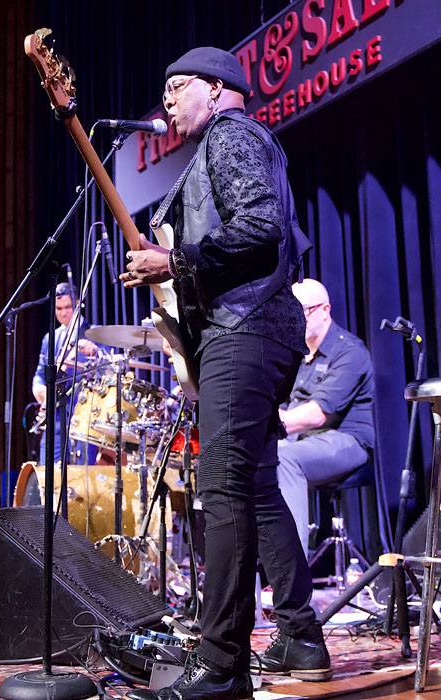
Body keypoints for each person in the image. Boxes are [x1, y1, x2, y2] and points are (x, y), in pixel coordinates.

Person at [122, 46, 328, 700]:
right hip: (253, 327)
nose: (168, 103)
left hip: (248, 326)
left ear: (218, 87)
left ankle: (221, 667)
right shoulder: (225, 144)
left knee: (225, 486)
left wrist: (174, 259)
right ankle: (300, 634)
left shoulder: (234, 134)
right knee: (258, 488)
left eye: (177, 87)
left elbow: (263, 226)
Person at [277, 279, 375, 549]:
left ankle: (293, 566)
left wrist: (268, 423)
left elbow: (317, 415)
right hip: (303, 439)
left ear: (325, 310)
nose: (296, 319)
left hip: (347, 440)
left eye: (303, 311)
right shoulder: (295, 353)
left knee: (283, 457)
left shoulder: (349, 352)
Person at [31, 282, 100, 464]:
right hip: (55, 415)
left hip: (83, 414)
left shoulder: (94, 334)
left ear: (77, 303)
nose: (63, 313)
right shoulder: (50, 338)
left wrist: (96, 353)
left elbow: (107, 370)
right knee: (48, 468)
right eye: (58, 308)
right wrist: (38, 388)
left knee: (81, 471)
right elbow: (40, 372)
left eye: (68, 307)